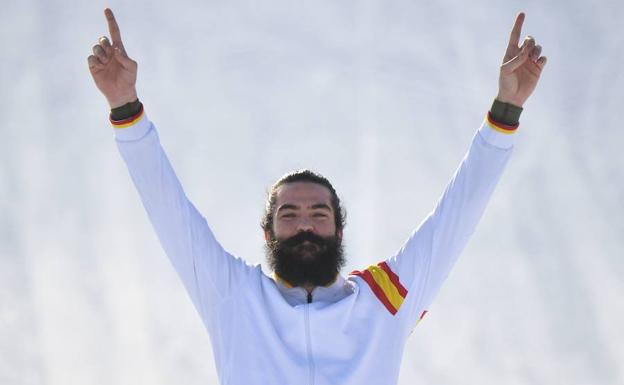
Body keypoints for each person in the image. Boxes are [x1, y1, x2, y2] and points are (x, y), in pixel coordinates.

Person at [88, 8, 546, 385]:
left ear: (339, 227)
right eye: (289, 214)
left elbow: (457, 215)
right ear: (266, 232)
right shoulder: (235, 297)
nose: (305, 224)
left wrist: (506, 112)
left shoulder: (384, 299)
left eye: (317, 213)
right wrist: (125, 107)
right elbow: (169, 210)